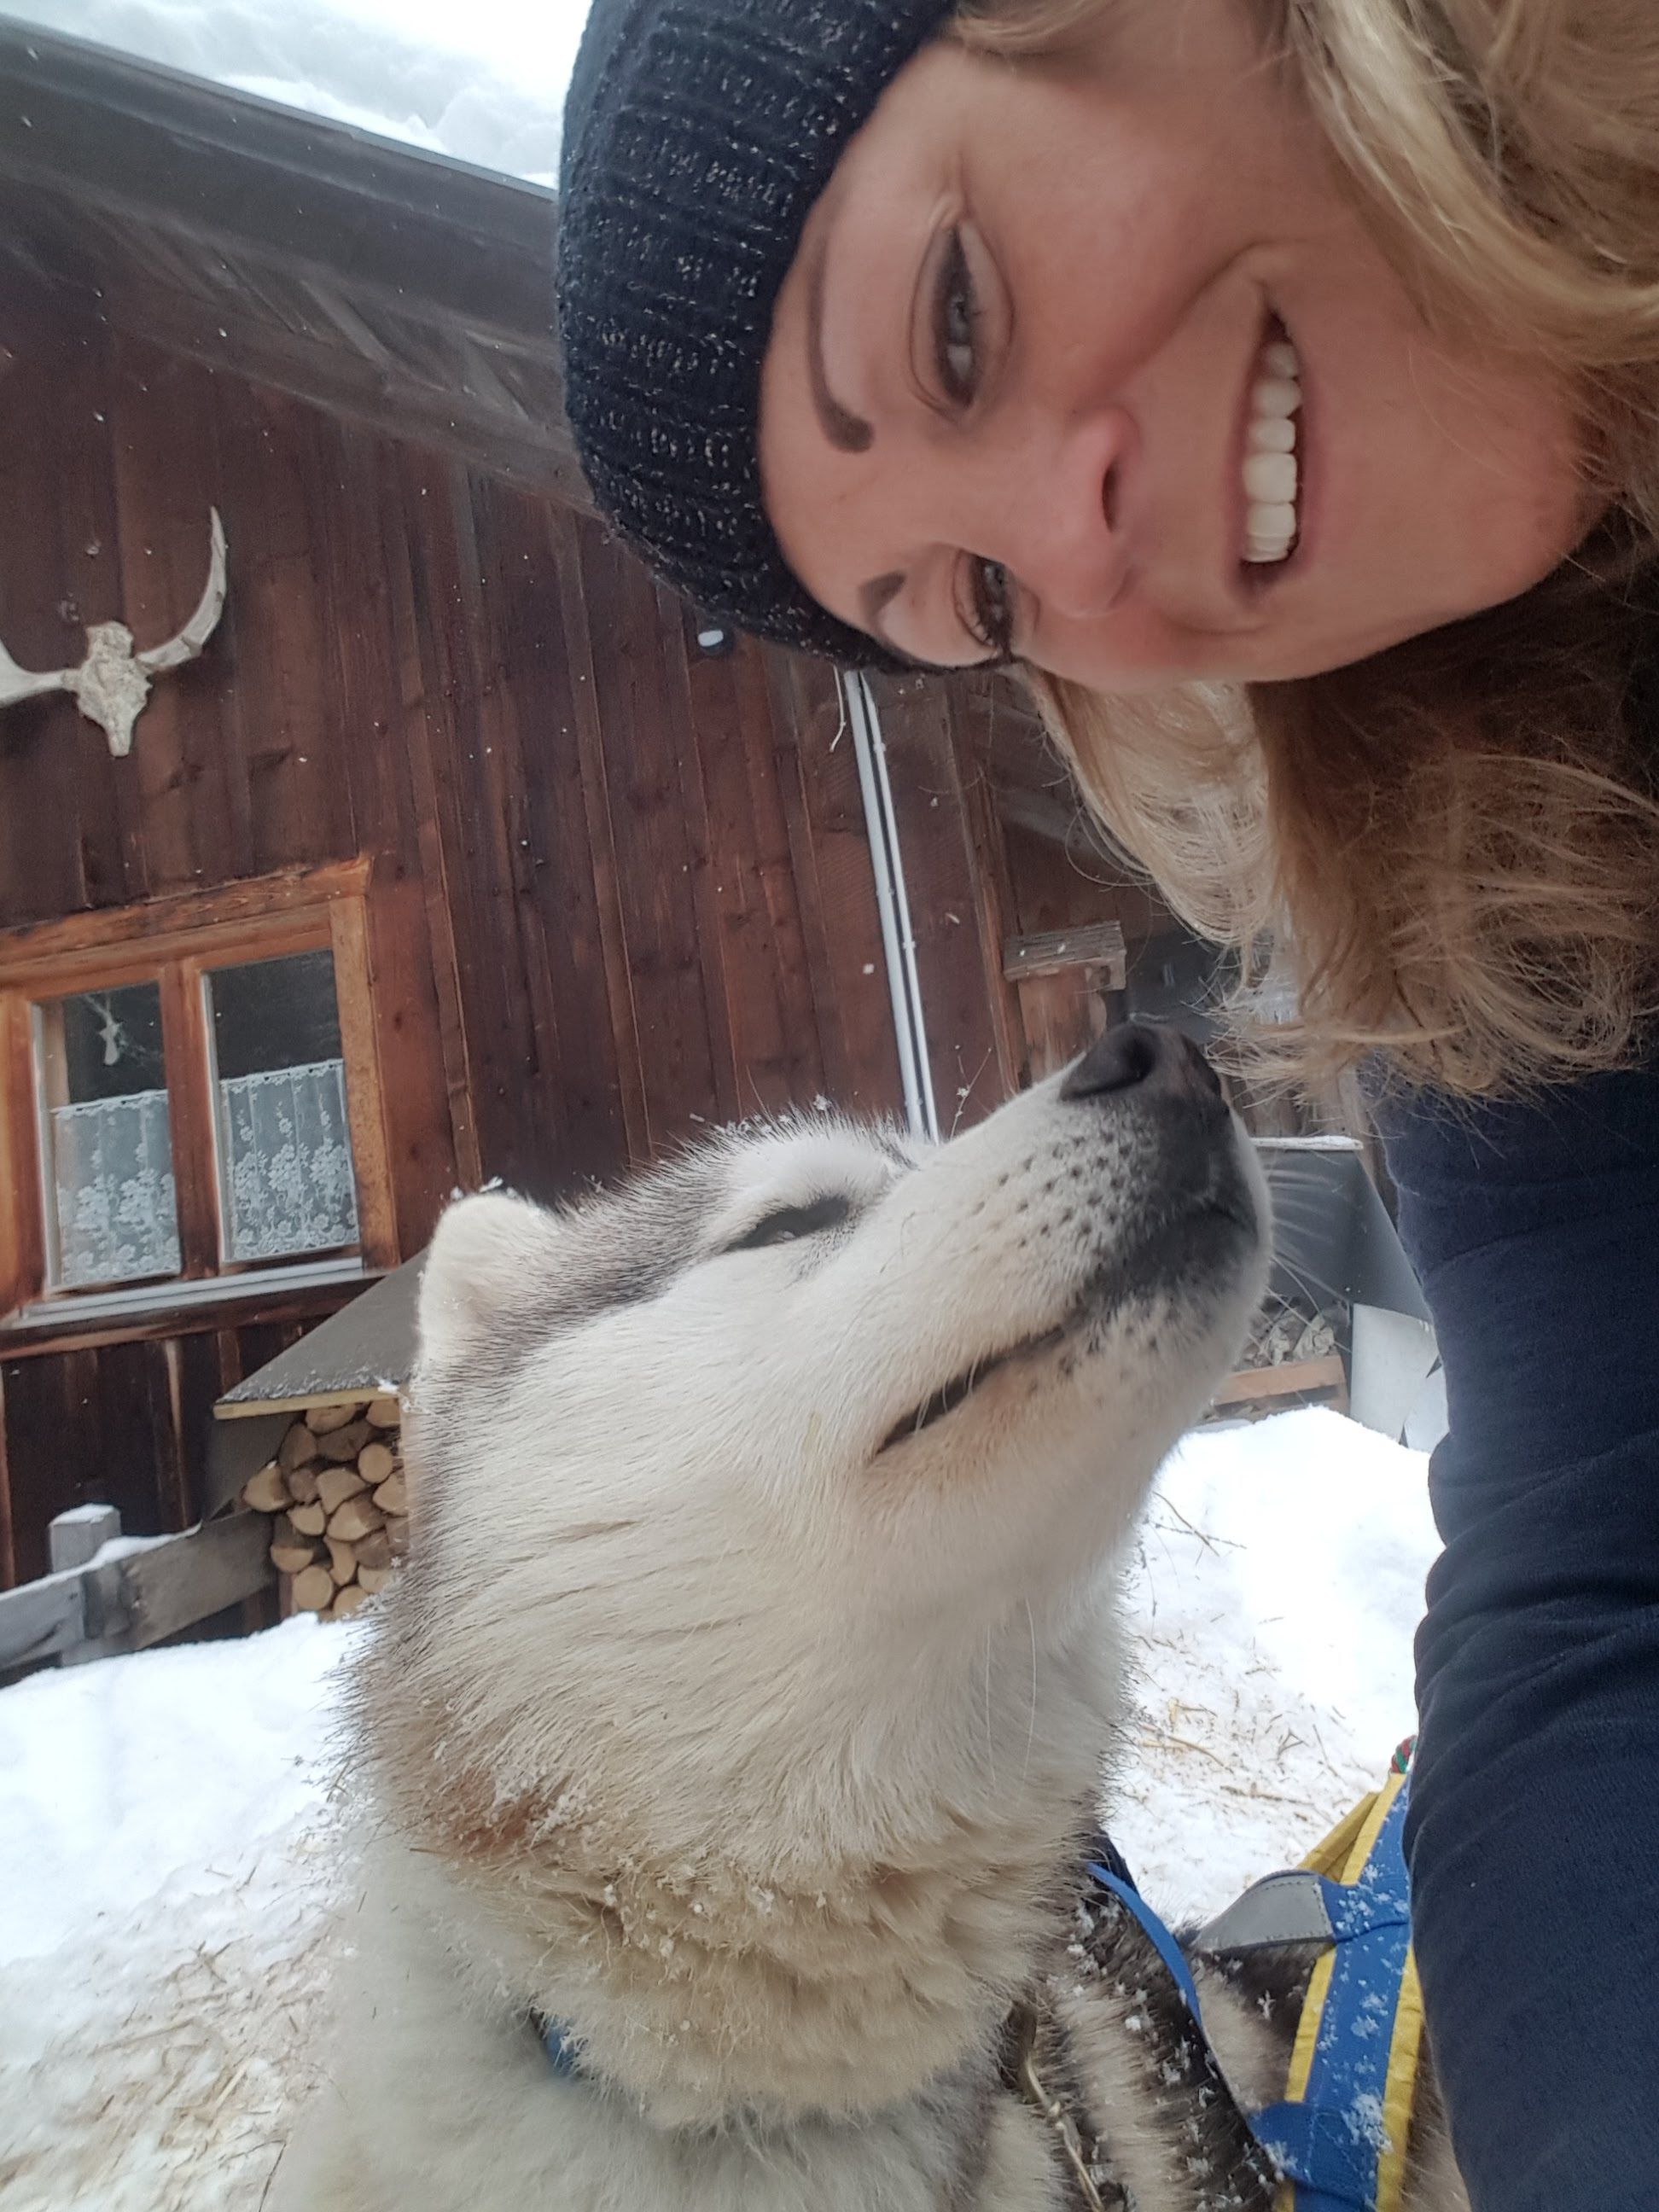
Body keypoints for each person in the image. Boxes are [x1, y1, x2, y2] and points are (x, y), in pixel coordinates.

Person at [554, 3, 1659, 2204]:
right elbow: (1603, 1572)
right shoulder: (1512, 886)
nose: (1084, 566)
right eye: (977, 600)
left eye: (958, 318)